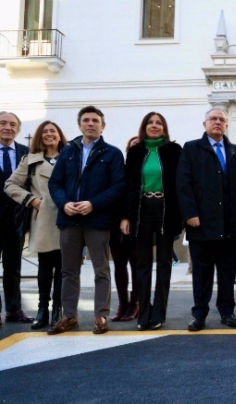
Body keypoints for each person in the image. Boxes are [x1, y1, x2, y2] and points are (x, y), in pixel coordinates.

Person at [47, 106, 125, 335]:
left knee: (101, 270)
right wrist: (64, 203)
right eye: (86, 120)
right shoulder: (68, 152)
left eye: (95, 120)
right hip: (69, 220)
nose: (90, 123)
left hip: (98, 220)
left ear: (103, 126)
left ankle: (101, 315)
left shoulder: (112, 153)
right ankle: (69, 316)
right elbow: (55, 183)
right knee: (68, 270)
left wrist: (93, 203)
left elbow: (118, 186)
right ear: (79, 124)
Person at [177, 108, 236, 330]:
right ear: (204, 123)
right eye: (213, 119)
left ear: (227, 125)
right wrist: (190, 214)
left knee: (227, 273)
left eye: (222, 120)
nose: (218, 122)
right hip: (202, 224)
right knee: (202, 273)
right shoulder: (191, 149)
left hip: (229, 226)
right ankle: (200, 314)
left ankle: (227, 312)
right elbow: (183, 184)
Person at [120, 112, 182, 331]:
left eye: (159, 123)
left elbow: (180, 184)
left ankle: (159, 314)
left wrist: (181, 216)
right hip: (142, 210)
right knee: (142, 264)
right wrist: (126, 216)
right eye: (150, 123)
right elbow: (129, 186)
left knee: (164, 263)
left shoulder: (174, 151)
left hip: (166, 210)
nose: (154, 126)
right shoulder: (135, 152)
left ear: (164, 129)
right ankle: (143, 313)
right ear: (144, 126)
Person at [5, 120, 67, 329]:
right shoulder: (30, 160)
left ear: (59, 135)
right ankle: (42, 309)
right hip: (43, 218)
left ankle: (58, 310)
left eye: (53, 131)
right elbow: (10, 184)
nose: (49, 134)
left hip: (67, 216)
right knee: (45, 266)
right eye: (45, 132)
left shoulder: (70, 157)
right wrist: (31, 199)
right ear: (40, 136)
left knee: (63, 267)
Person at [0, 111, 33, 328]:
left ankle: (13, 309)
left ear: (18, 130)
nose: (8, 128)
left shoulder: (26, 153)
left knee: (13, 267)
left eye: (12, 124)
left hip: (16, 220)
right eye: (3, 123)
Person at [108, 136, 140, 323]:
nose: (135, 147)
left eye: (139, 145)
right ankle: (123, 303)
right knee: (119, 265)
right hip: (114, 223)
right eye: (132, 145)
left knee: (136, 266)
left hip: (135, 224)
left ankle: (135, 304)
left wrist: (127, 217)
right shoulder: (119, 168)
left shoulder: (142, 170)